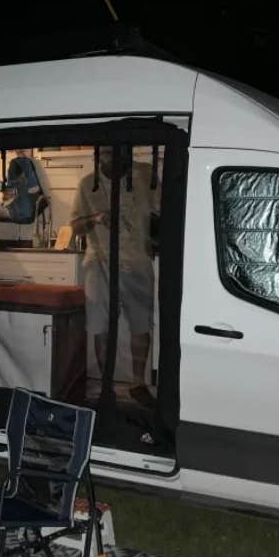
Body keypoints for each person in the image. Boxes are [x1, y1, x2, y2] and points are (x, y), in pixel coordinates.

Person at [70, 146, 160, 412]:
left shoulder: (146, 175)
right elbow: (74, 225)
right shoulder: (88, 184)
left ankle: (137, 383)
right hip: (99, 263)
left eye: (118, 151)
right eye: (107, 152)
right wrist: (96, 218)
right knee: (99, 326)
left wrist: (156, 238)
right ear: (98, 156)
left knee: (141, 324)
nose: (113, 157)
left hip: (137, 262)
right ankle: (106, 385)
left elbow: (163, 211)